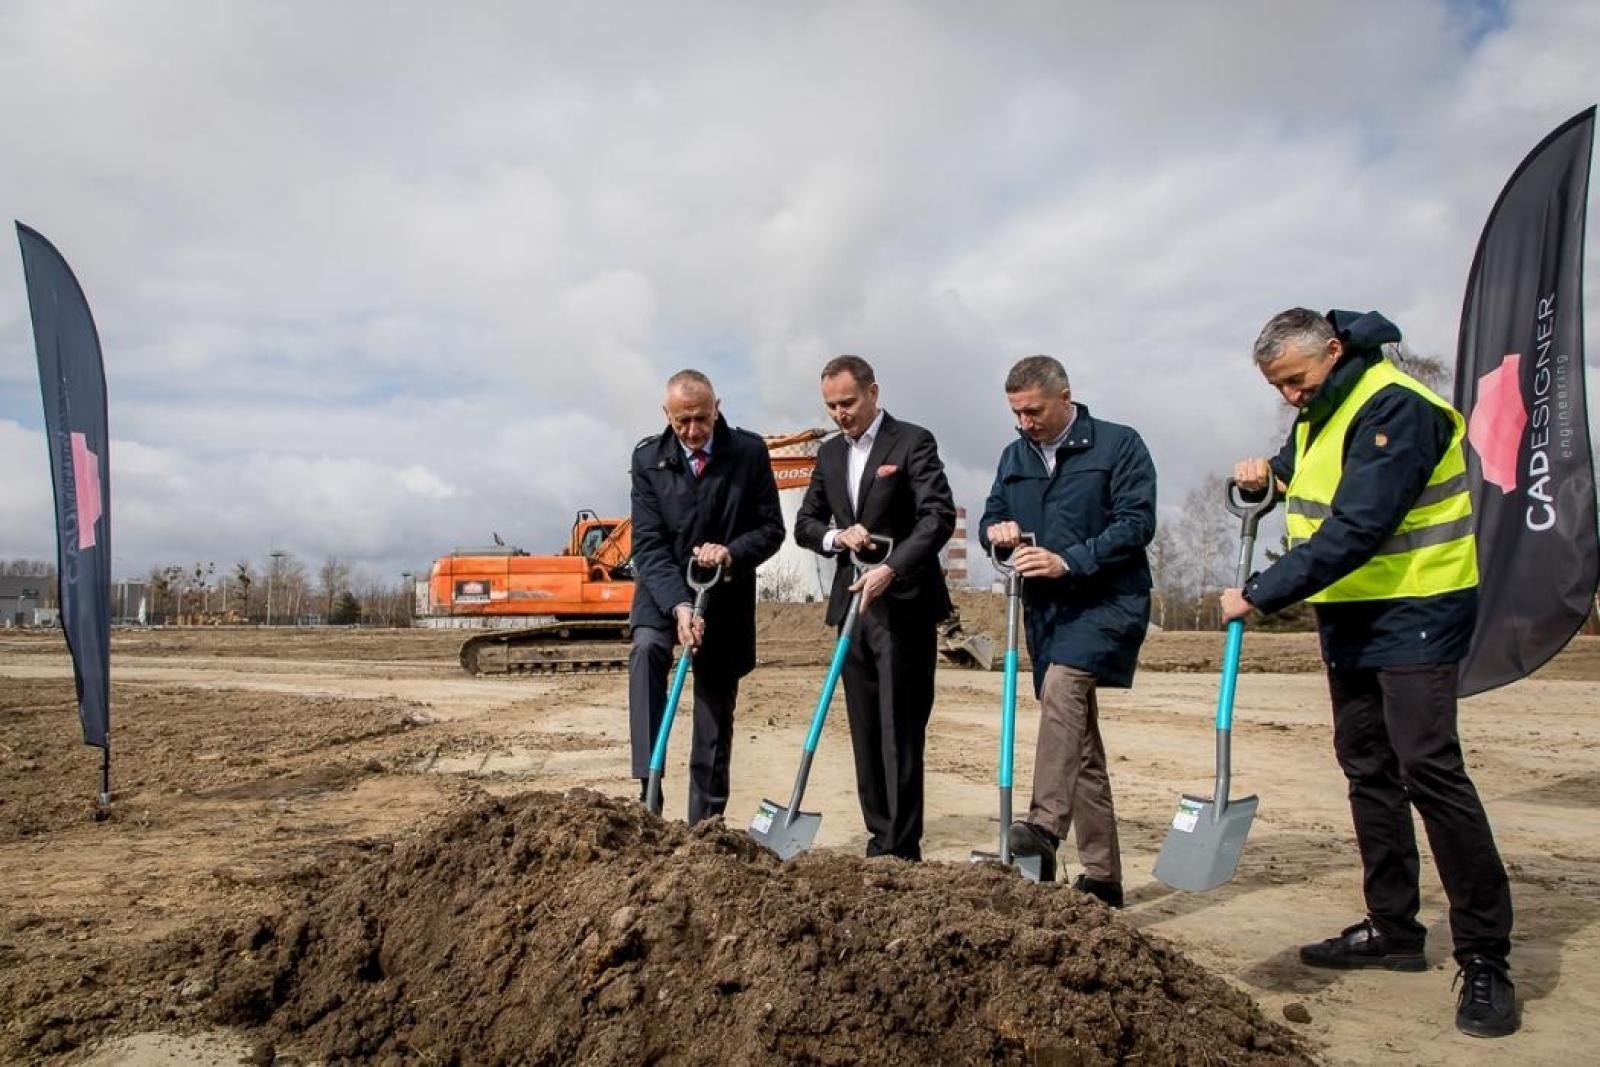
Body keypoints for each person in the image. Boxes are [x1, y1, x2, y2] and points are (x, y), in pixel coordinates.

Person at [1221, 307, 1516, 1039]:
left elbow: (1360, 523)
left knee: (1429, 769)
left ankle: (1485, 959)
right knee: (1367, 767)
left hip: (1416, 606)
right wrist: (1267, 476)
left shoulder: (1398, 406)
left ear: (1331, 349)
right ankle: (1394, 926)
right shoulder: (1322, 407)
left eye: (1295, 379)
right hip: (1350, 613)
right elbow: (1303, 478)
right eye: (1278, 387)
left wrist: (1258, 592)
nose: (1290, 396)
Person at [978, 355, 1155, 900]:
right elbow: (990, 519)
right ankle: (1103, 879)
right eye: (1017, 414)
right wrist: (998, 534)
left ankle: (1044, 826)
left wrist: (1069, 560)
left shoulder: (1119, 444)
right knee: (1078, 746)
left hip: (1107, 602)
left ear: (1064, 396)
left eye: (1033, 411)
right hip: (1047, 611)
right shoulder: (1015, 456)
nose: (1026, 423)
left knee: (1062, 687)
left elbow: (1137, 522)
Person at [794, 355, 956, 861]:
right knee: (864, 728)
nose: (840, 414)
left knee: (899, 727)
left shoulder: (912, 442)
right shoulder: (828, 456)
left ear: (872, 393)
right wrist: (836, 535)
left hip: (903, 605)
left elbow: (938, 516)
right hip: (852, 609)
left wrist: (894, 568)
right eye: (831, 406)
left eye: (848, 402)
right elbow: (806, 523)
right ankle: (877, 837)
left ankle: (902, 847)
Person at [629, 369, 784, 824]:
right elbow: (649, 545)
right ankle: (648, 793)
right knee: (648, 649)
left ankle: (706, 825)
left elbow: (772, 529)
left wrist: (731, 552)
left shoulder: (749, 452)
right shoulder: (648, 459)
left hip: (725, 592)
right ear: (667, 416)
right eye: (682, 422)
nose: (693, 431)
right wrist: (678, 605)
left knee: (714, 706)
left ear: (717, 407)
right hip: (664, 589)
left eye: (701, 418)